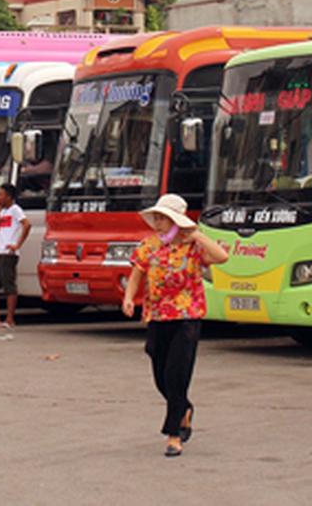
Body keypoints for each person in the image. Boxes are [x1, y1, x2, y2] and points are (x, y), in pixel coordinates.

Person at [121, 193, 230, 458]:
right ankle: (184, 409)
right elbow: (137, 273)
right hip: (157, 316)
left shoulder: (193, 246)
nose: (158, 223)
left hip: (186, 316)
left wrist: (198, 236)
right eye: (156, 218)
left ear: (176, 220)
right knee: (160, 373)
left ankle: (174, 434)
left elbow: (221, 257)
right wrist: (128, 298)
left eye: (163, 218)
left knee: (176, 374)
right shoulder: (149, 245)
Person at [0, 183, 30, 329]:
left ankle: (10, 319)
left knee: (9, 286)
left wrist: (17, 244)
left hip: (9, 253)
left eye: (1, 194)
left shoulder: (15, 210)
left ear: (9, 197)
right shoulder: (3, 212)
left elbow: (27, 224)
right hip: (0, 252)